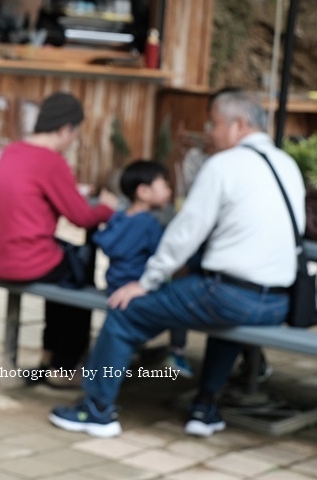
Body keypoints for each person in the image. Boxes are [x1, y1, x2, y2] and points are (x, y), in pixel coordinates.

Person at [49, 89, 304, 438]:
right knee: (225, 324)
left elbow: (185, 232)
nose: (209, 132)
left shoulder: (224, 165)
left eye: (213, 123)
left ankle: (96, 410)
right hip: (277, 303)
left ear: (238, 125)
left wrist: (147, 282)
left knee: (124, 313)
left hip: (227, 297)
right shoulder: (286, 164)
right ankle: (205, 408)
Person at [0, 92, 119, 384]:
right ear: (65, 129)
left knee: (62, 263)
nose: (73, 142)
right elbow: (82, 217)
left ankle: (48, 355)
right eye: (75, 135)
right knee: (78, 275)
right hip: (24, 261)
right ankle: (65, 367)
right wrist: (107, 207)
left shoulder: (13, 151)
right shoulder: (52, 161)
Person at [94, 160, 193, 378]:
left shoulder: (119, 217)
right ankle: (177, 352)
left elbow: (104, 241)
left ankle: (134, 348)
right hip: (137, 288)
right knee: (181, 297)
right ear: (143, 191)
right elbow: (165, 258)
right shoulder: (149, 224)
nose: (169, 192)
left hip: (114, 285)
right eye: (165, 186)